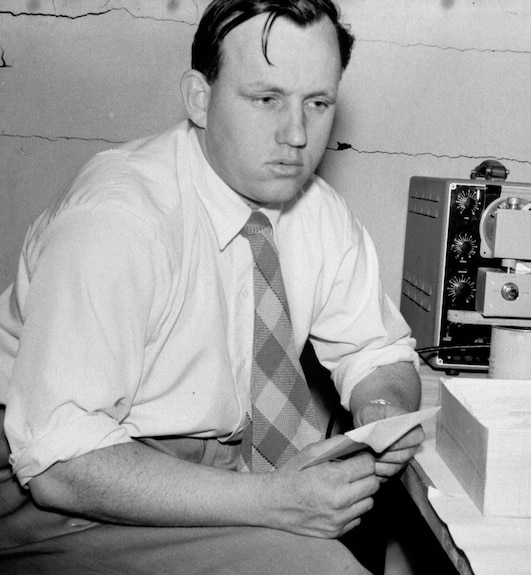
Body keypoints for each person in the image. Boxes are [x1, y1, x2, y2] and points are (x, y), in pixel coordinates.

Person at [0, 0, 425, 572]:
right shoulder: (120, 217)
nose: (297, 134)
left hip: (220, 471)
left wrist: (381, 416)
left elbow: (377, 351)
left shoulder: (318, 212)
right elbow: (58, 462)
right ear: (200, 99)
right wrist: (275, 502)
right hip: (71, 493)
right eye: (266, 99)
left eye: (317, 103)